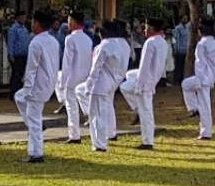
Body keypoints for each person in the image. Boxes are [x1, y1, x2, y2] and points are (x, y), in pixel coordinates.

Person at [14, 9, 60, 163]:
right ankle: (39, 125)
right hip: (48, 83)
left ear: (38, 24)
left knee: (33, 120)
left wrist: (28, 87)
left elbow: (31, 68)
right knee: (18, 97)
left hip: (37, 86)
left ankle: (36, 153)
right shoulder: (53, 40)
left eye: (33, 22)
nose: (31, 25)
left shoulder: (36, 42)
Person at [76, 20, 129, 152]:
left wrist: (89, 86)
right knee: (106, 109)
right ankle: (109, 133)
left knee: (96, 115)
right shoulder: (122, 45)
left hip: (100, 84)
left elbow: (95, 69)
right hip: (113, 82)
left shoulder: (103, 46)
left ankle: (99, 144)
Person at [120, 17, 170, 150]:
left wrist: (140, 85)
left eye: (146, 28)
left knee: (146, 112)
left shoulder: (150, 42)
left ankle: (148, 141)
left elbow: (144, 65)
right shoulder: (163, 42)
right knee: (126, 83)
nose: (145, 31)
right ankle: (135, 108)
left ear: (152, 29)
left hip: (146, 80)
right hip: (153, 78)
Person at [54, 14, 93, 143]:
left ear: (76, 23)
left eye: (70, 21)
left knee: (72, 107)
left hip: (73, 76)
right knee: (84, 103)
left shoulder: (70, 39)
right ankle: (93, 129)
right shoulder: (88, 39)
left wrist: (63, 80)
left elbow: (67, 62)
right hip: (85, 75)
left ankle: (74, 135)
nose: (68, 24)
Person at [181, 18, 215, 140]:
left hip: (203, 77)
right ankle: (195, 112)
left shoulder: (202, 44)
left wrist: (199, 79)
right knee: (204, 103)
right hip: (211, 76)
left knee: (188, 87)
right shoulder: (214, 42)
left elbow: (200, 63)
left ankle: (194, 111)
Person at [6, 11, 30, 100]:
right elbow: (10, 43)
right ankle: (13, 94)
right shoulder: (13, 29)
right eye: (22, 17)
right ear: (18, 18)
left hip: (24, 55)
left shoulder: (24, 29)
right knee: (16, 75)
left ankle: (19, 94)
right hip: (16, 56)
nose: (24, 19)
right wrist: (10, 54)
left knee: (21, 75)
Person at [172, 17, 190, 84]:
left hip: (186, 50)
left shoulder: (187, 28)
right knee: (178, 66)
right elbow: (176, 39)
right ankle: (176, 80)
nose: (185, 20)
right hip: (179, 50)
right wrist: (175, 49)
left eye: (186, 18)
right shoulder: (178, 28)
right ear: (181, 19)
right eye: (184, 18)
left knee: (184, 66)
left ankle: (182, 79)